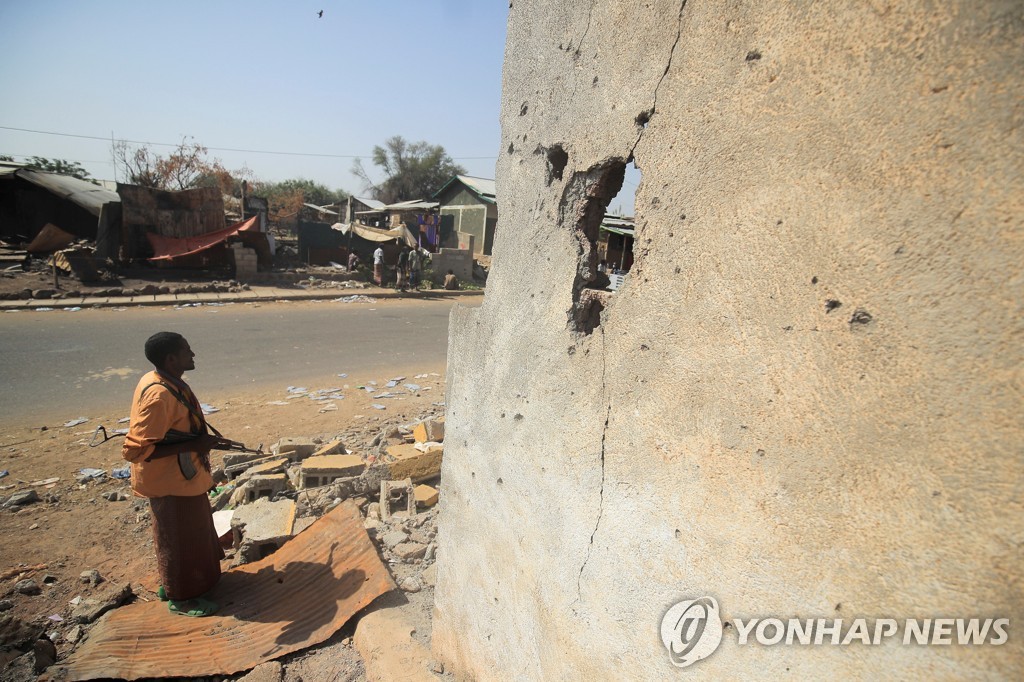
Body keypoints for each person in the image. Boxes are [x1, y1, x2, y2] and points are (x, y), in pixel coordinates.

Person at [122, 332, 232, 618]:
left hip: (183, 476)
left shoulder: (162, 380)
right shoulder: (158, 395)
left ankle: (175, 583)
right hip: (169, 481)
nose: (193, 354)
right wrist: (196, 444)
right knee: (179, 540)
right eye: (186, 351)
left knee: (192, 535)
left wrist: (201, 440)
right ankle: (182, 598)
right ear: (171, 359)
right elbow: (136, 451)